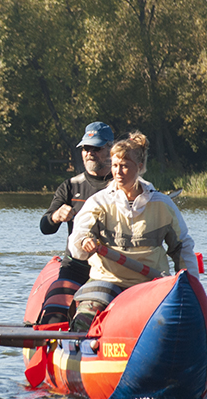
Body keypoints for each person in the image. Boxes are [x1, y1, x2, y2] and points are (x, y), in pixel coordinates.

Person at [67, 131, 199, 331]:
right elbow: (77, 246)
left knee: (174, 322)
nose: (118, 172)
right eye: (114, 165)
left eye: (125, 166)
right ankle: (79, 341)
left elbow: (183, 247)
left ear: (139, 167)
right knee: (83, 319)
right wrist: (84, 242)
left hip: (151, 282)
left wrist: (192, 287)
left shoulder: (163, 204)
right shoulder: (99, 202)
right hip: (107, 280)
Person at [36, 122, 114, 324]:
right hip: (75, 268)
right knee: (53, 316)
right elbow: (45, 227)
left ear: (110, 149)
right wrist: (55, 217)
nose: (89, 153)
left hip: (111, 270)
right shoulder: (70, 187)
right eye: (86, 148)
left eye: (96, 148)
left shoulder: (122, 184)